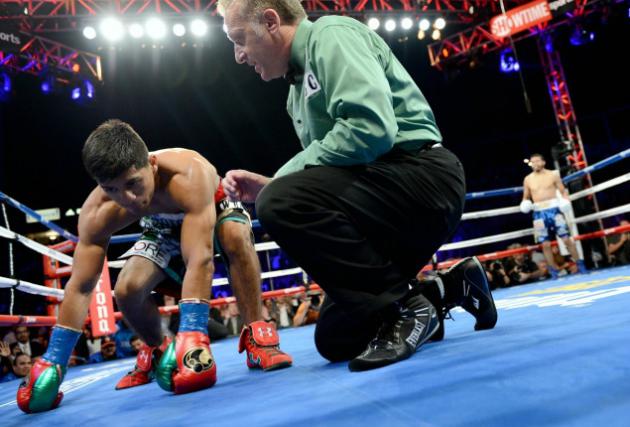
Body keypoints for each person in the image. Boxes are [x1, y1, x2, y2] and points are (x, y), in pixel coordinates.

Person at [219, 0, 497, 372]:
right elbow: (333, 168)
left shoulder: (331, 35)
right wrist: (275, 183)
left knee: (279, 202)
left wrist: (278, 185)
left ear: (271, 21)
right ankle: (449, 287)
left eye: (239, 39)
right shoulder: (294, 94)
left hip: (420, 177)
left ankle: (407, 309)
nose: (238, 56)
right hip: (380, 192)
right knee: (338, 337)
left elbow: (371, 130)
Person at [17, 120, 291, 414]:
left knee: (236, 235)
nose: (127, 199)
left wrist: (193, 335)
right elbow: (81, 286)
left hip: (214, 209)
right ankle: (161, 350)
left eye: (133, 183)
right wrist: (54, 360)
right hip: (160, 227)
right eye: (112, 189)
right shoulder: (97, 213)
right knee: (127, 288)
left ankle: (257, 336)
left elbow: (199, 258)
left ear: (152, 164)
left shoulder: (188, 174)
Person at [520, 153, 587, 279]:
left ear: (543, 162)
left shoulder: (553, 175)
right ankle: (553, 271)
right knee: (545, 244)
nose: (534, 164)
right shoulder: (528, 179)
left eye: (537, 161)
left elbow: (562, 191)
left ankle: (580, 265)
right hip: (539, 214)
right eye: (532, 162)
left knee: (566, 239)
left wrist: (565, 201)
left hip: (555, 211)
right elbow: (526, 197)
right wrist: (524, 203)